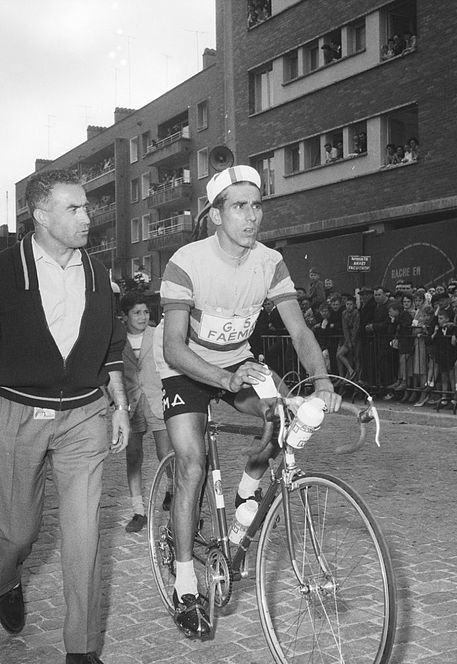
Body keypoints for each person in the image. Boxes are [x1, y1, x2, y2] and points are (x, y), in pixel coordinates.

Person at [154, 165, 341, 639]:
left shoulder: (269, 261)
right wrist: (223, 376)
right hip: (186, 369)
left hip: (239, 363)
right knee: (191, 464)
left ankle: (244, 497)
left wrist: (321, 382)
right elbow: (174, 346)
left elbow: (299, 329)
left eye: (256, 205)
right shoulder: (186, 261)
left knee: (282, 417)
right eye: (239, 206)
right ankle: (184, 581)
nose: (251, 216)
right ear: (216, 215)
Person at [0, 169, 130, 664]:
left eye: (86, 207)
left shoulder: (99, 273)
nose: (86, 216)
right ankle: (7, 577)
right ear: (40, 216)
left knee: (85, 533)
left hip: (83, 413)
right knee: (16, 532)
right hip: (17, 409)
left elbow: (112, 344)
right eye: (73, 208)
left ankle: (82, 648)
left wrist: (118, 403)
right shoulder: (5, 270)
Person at [120, 292, 172, 533]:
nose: (142, 317)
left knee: (166, 453)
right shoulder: (117, 340)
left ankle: (171, 491)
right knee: (133, 458)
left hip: (157, 401)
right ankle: (138, 510)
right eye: (136, 312)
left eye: (145, 312)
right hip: (131, 405)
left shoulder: (158, 334)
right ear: (125, 316)